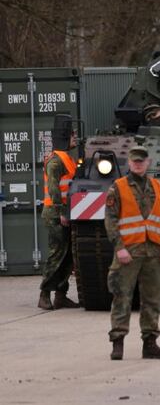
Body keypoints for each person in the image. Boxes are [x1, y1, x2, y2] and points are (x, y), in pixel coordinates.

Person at [104, 145, 160, 360]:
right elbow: (111, 220)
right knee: (122, 297)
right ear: (129, 163)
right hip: (128, 252)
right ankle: (118, 343)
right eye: (134, 161)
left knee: (152, 298)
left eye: (141, 161)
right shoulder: (118, 187)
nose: (138, 164)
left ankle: (150, 343)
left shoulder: (157, 187)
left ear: (148, 163)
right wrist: (120, 248)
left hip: (153, 252)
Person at [38, 130, 80, 310]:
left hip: (66, 212)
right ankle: (44, 294)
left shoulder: (68, 159)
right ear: (64, 138)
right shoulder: (55, 161)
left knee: (68, 256)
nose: (75, 139)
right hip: (56, 214)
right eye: (72, 136)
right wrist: (62, 211)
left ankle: (61, 296)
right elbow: (55, 190)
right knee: (57, 255)